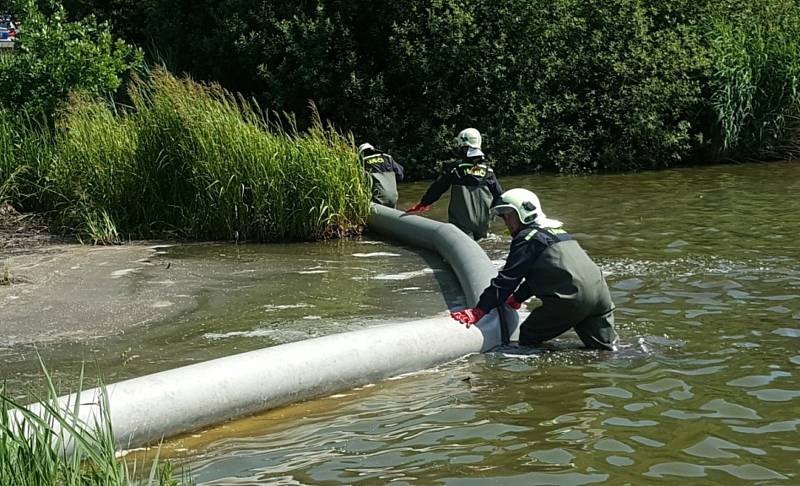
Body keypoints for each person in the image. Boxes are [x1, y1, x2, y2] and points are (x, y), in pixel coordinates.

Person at [450, 188, 619, 350]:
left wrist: (479, 310)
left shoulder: (528, 238)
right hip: (601, 295)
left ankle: (542, 378)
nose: (507, 221)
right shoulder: (558, 232)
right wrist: (517, 298)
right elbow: (547, 273)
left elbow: (508, 278)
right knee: (604, 351)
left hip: (572, 299)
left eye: (509, 215)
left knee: (528, 337)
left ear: (524, 213)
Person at [406, 128, 503, 240]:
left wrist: (423, 204)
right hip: (483, 225)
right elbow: (499, 197)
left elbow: (438, 188)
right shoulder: (488, 172)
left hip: (461, 226)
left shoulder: (455, 169)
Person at [358, 142, 404, 209]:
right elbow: (400, 176)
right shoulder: (388, 158)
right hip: (393, 198)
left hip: (377, 201)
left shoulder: (361, 161)